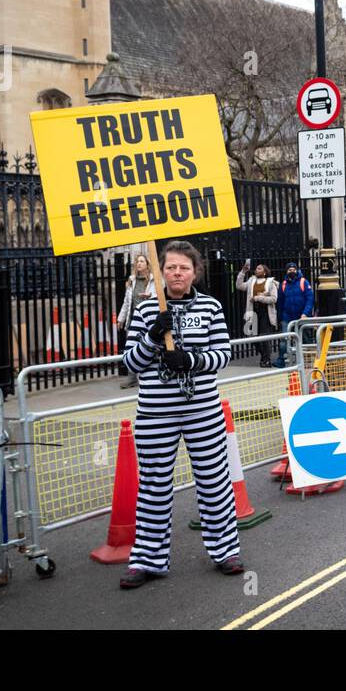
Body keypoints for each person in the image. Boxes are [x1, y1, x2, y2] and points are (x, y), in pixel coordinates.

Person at [119, 240, 241, 587]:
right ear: (161, 270)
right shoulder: (145, 309)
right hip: (156, 412)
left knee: (214, 480)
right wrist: (153, 338)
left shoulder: (212, 307)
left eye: (183, 268)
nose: (176, 273)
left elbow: (222, 354)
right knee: (154, 485)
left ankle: (225, 550)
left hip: (202, 409)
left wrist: (192, 360)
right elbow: (130, 362)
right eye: (170, 267)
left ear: (194, 272)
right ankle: (148, 560)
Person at [117, 254, 155, 388]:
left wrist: (150, 296)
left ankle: (151, 375)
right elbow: (127, 302)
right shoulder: (131, 280)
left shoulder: (153, 280)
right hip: (133, 320)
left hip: (147, 320)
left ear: (147, 264)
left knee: (149, 347)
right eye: (137, 261)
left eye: (142, 261)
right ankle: (132, 378)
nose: (139, 263)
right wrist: (120, 318)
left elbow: (161, 297)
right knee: (131, 349)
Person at [236, 261, 278, 366]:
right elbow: (239, 286)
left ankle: (266, 359)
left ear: (264, 272)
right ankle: (264, 356)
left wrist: (258, 298)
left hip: (265, 312)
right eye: (256, 268)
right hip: (253, 311)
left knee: (263, 336)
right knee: (252, 337)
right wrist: (243, 272)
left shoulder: (271, 283)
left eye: (259, 268)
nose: (256, 270)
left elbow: (273, 299)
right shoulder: (251, 281)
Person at [274, 262, 313, 368]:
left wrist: (305, 313)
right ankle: (282, 359)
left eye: (293, 269)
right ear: (286, 271)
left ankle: (308, 359)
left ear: (297, 270)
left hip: (302, 317)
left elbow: (310, 299)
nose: (292, 271)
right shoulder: (283, 284)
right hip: (287, 317)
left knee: (305, 338)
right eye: (289, 270)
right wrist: (280, 317)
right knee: (284, 339)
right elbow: (280, 302)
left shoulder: (303, 282)